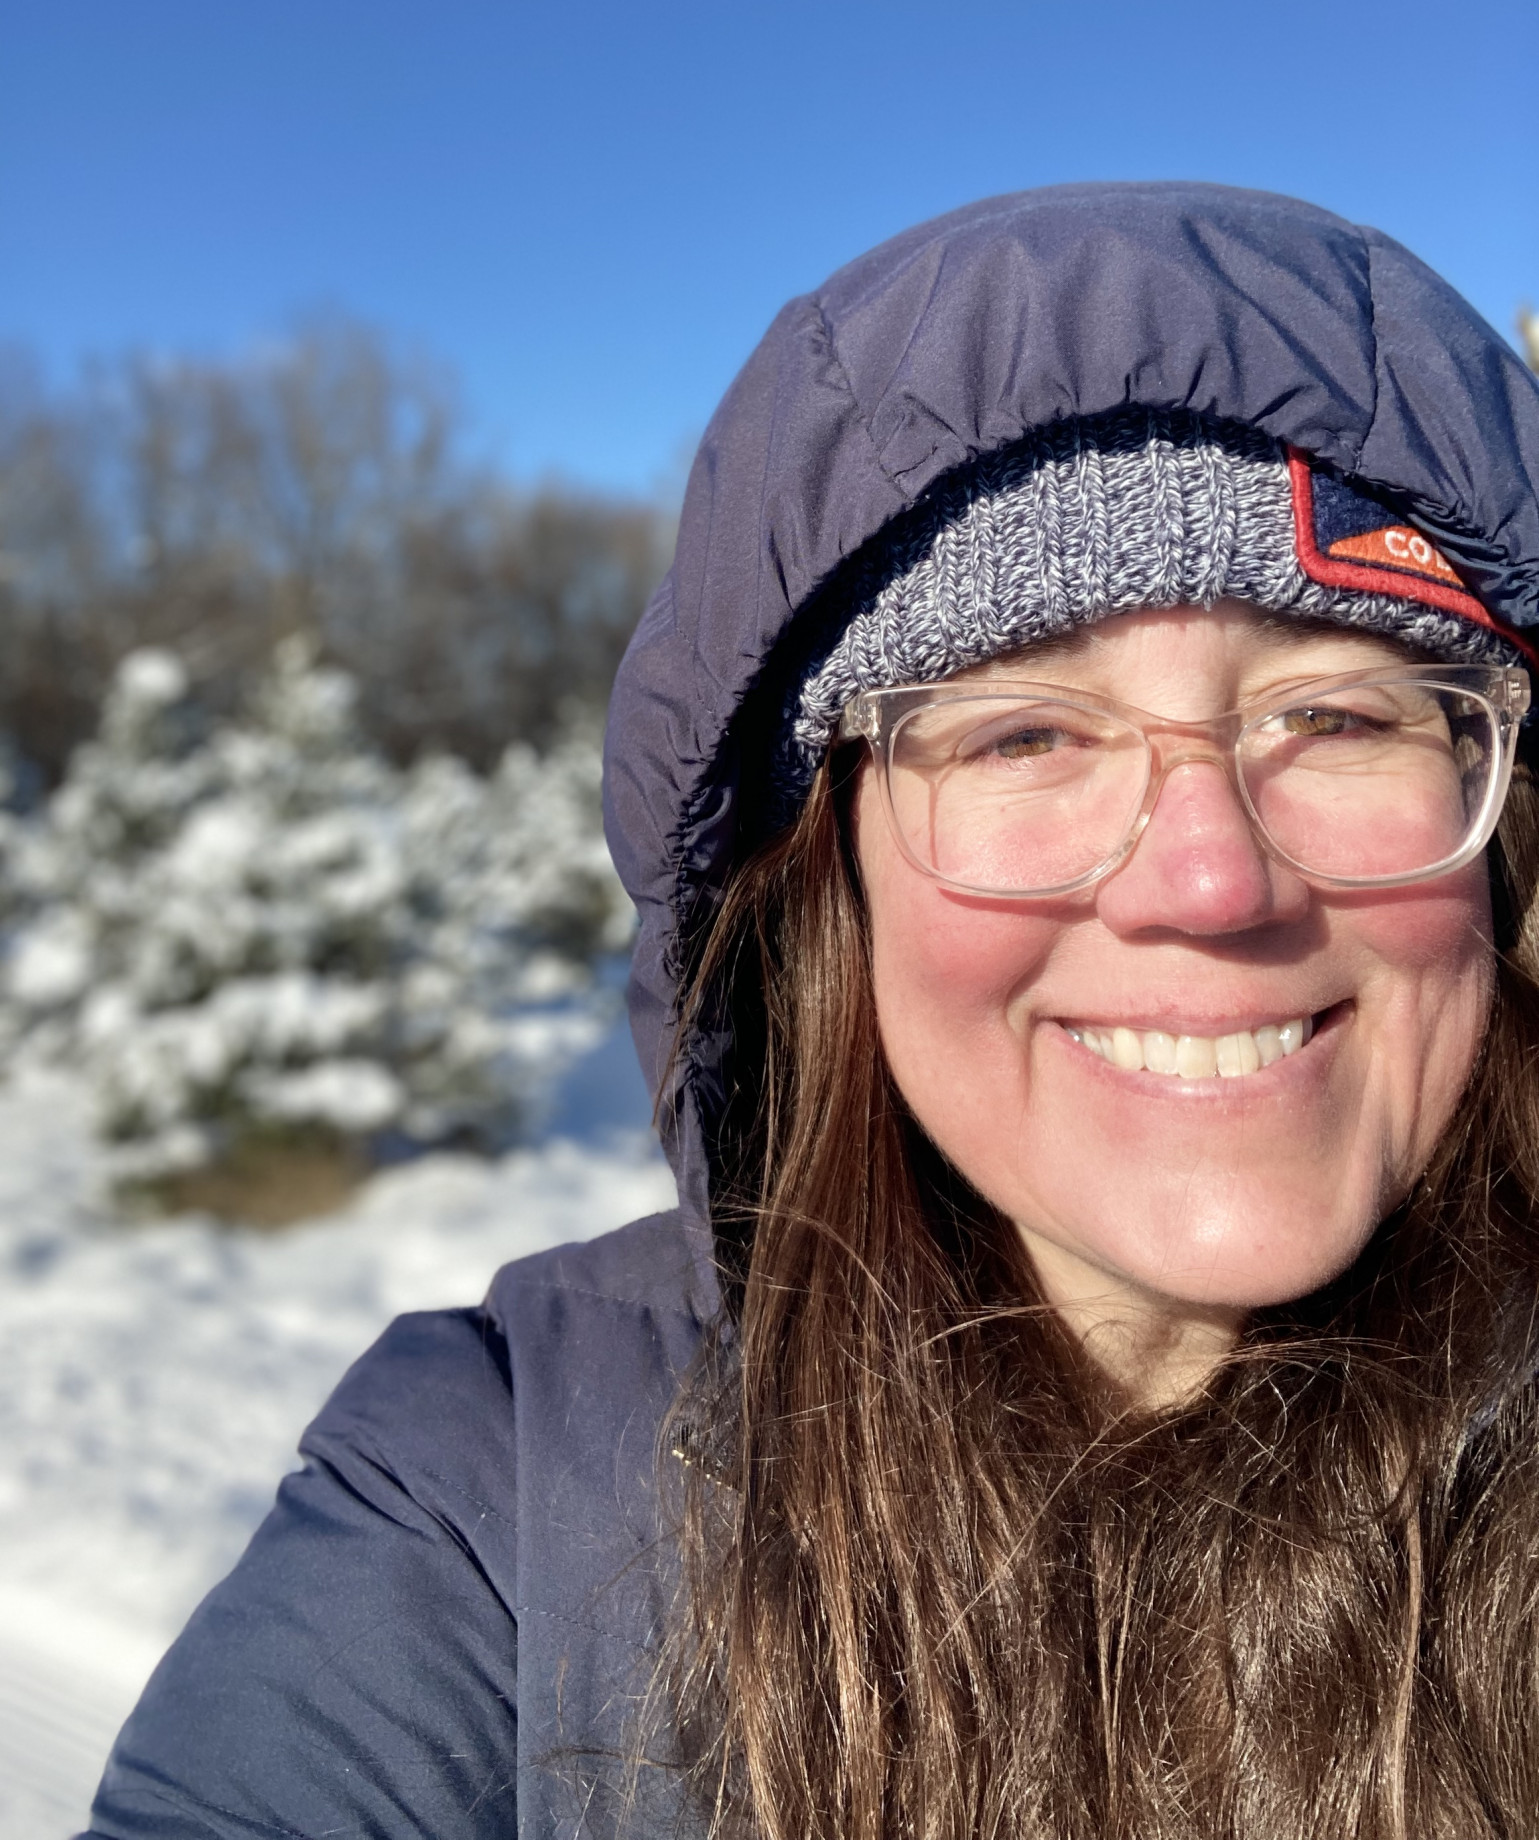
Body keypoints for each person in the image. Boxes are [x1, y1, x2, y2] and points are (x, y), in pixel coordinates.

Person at [86, 183, 1539, 1839]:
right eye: (1021, 737)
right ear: (824, 876)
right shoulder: (498, 1504)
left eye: (1338, 716)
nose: (1210, 881)